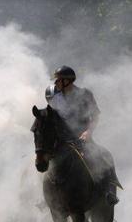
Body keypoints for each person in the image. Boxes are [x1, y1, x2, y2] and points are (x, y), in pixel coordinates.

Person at [44, 65, 120, 205]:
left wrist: (88, 132)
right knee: (43, 160)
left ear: (67, 81)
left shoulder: (85, 94)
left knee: (104, 156)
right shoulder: (54, 95)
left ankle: (108, 191)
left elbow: (95, 116)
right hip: (60, 139)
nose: (55, 83)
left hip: (82, 137)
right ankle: (45, 197)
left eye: (58, 80)